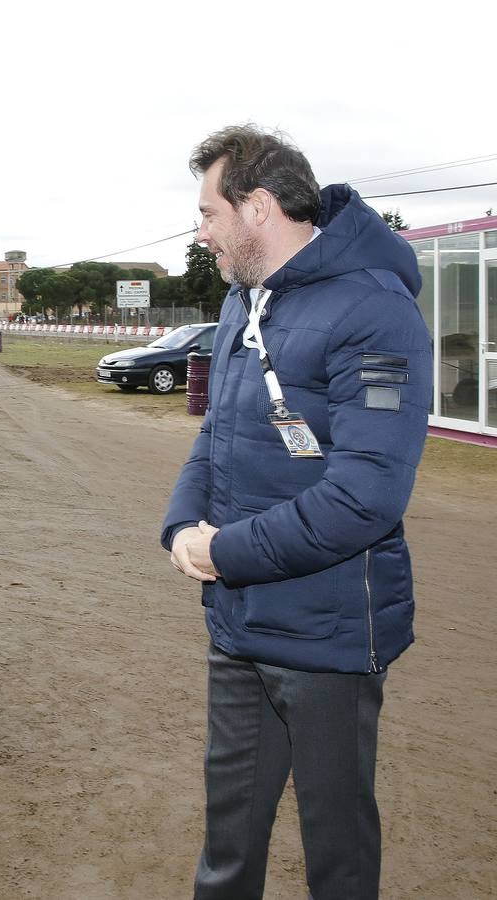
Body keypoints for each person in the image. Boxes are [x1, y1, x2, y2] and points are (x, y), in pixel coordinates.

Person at [161, 126, 433, 898]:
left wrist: (225, 553)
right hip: (239, 622)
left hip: (331, 634)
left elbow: (365, 498)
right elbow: (215, 437)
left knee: (336, 851)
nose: (201, 231)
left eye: (208, 212)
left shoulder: (375, 313)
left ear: (257, 207)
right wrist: (183, 527)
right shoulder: (240, 305)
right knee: (229, 843)